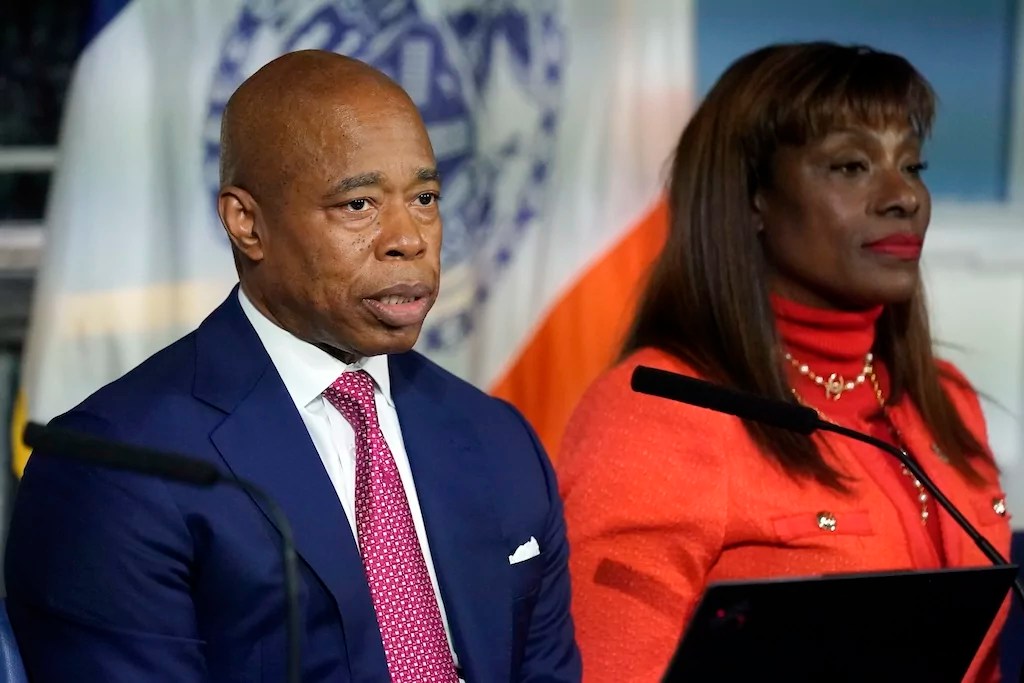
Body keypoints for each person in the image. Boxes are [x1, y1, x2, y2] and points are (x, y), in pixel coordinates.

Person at [5, 50, 580, 683]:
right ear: (246, 223)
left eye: (424, 197)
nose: (409, 238)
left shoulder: (500, 441)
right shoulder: (115, 466)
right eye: (359, 205)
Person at [558, 42, 1011, 682]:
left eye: (913, 165)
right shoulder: (660, 411)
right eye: (852, 166)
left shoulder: (945, 397)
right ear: (752, 198)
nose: (903, 196)